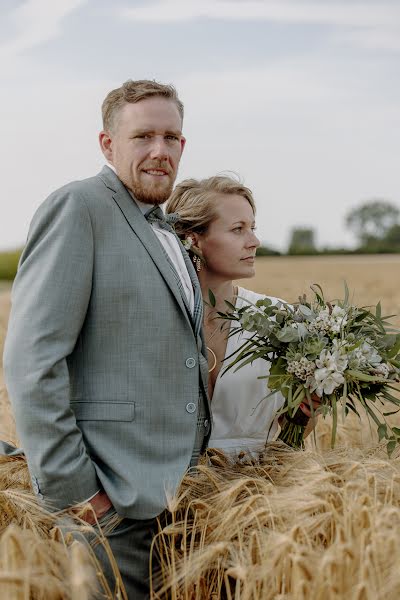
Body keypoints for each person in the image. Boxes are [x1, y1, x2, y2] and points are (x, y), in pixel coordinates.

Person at [2, 80, 210, 599]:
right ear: (107, 144)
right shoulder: (79, 207)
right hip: (109, 508)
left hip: (178, 506)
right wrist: (83, 495)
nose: (160, 151)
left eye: (172, 137)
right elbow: (33, 362)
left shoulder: (167, 230)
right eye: (143, 137)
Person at [166, 175, 318, 456]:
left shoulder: (280, 320)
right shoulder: (154, 319)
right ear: (193, 239)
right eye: (238, 229)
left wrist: (309, 407)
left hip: (263, 490)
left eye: (253, 228)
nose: (255, 241)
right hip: (170, 493)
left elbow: (291, 437)